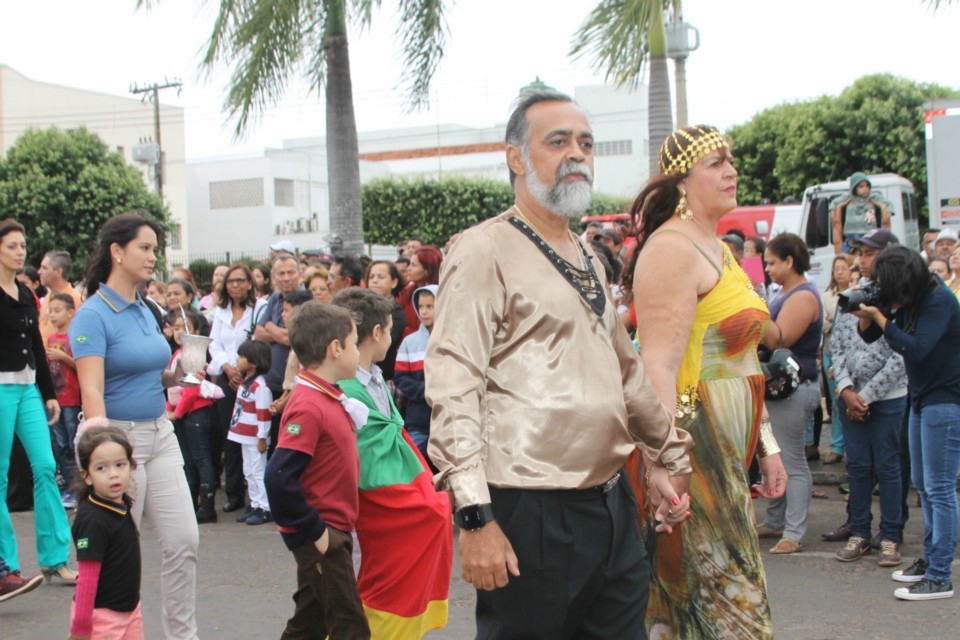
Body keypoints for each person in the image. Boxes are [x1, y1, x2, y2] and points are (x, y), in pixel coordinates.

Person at [425, 89, 693, 639]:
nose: (577, 153)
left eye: (586, 142)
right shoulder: (483, 250)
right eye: (558, 141)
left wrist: (666, 454)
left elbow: (626, 370)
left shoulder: (586, 255)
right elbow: (455, 383)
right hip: (529, 512)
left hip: (612, 505)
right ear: (517, 158)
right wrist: (474, 515)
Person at [624, 126, 786, 638]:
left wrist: (768, 444)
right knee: (720, 592)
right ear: (681, 183)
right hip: (695, 441)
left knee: (720, 587)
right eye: (716, 162)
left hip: (729, 448)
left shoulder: (719, 250)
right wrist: (665, 461)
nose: (731, 170)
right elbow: (660, 367)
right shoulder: (671, 248)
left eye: (730, 159)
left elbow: (743, 360)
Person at [70, 211, 199, 639]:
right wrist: (107, 452)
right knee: (121, 556)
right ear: (116, 251)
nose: (152, 258)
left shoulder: (148, 308)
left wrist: (177, 376)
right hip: (118, 445)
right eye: (144, 248)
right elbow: (92, 391)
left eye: (155, 250)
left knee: (184, 542)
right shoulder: (92, 315)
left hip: (161, 433)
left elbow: (147, 373)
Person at [332, 288, 452, 637]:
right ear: (376, 333)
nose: (394, 334)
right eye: (389, 328)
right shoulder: (345, 387)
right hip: (363, 515)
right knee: (359, 600)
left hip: (374, 508)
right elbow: (370, 461)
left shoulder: (373, 381)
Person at [856, 245, 960, 600]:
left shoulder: (939, 301)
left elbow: (915, 348)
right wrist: (868, 315)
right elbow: (871, 336)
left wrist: (883, 318)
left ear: (904, 279)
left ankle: (940, 575)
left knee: (940, 488)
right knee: (923, 485)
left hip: (945, 401)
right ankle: (931, 560)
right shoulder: (911, 298)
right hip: (921, 399)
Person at [263, 301, 371, 639]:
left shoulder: (325, 396)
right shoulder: (309, 404)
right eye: (354, 344)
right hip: (323, 532)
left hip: (332, 529)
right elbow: (278, 477)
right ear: (335, 348)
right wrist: (315, 532)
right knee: (350, 626)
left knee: (309, 624)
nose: (357, 351)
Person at [0, 218, 77, 586]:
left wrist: (49, 394)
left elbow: (37, 347)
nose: (20, 252)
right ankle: (6, 567)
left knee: (46, 467)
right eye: (12, 245)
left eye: (22, 246)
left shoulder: (28, 295)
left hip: (29, 387)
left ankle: (55, 558)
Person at [822, 229, 907, 557]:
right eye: (859, 253)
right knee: (856, 467)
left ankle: (890, 535)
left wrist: (866, 396)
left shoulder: (900, 299)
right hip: (850, 397)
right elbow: (838, 348)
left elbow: (899, 355)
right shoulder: (853, 297)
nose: (861, 260)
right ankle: (859, 531)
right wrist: (844, 390)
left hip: (887, 397)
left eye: (869, 253)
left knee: (888, 467)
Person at [755, 233, 822, 554]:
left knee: (792, 461)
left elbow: (779, 338)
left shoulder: (804, 296)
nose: (767, 268)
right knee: (774, 456)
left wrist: (754, 309)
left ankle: (793, 532)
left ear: (789, 261)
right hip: (780, 390)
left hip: (796, 389)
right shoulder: (787, 293)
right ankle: (775, 521)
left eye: (771, 262)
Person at [68, 427, 143, 640]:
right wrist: (80, 627)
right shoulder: (93, 519)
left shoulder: (120, 504)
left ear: (131, 465)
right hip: (101, 619)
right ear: (87, 476)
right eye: (101, 468)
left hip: (130, 611)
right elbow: (87, 578)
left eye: (120, 465)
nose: (113, 474)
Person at [208, 263, 268, 513]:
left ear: (249, 283)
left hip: (250, 376)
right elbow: (214, 344)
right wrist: (228, 368)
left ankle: (258, 498)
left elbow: (257, 343)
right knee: (229, 436)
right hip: (227, 377)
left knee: (251, 437)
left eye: (241, 280)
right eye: (231, 281)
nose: (235, 285)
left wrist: (240, 370)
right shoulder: (220, 312)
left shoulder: (258, 309)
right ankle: (234, 494)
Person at [165, 309, 220, 524]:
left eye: (186, 327)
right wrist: (170, 409)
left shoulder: (193, 351)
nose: (180, 331)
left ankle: (207, 507)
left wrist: (176, 414)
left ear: (196, 331)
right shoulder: (176, 353)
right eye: (177, 327)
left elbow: (190, 390)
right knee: (189, 461)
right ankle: (192, 504)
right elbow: (173, 387)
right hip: (181, 413)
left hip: (194, 412)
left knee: (201, 460)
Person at [254, 254, 302, 459]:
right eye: (280, 273)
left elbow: (290, 338)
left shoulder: (303, 299)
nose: (286, 277)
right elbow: (258, 332)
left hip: (295, 387)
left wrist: (271, 328)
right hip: (274, 383)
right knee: (274, 438)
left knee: (291, 441)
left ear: (299, 274)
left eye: (290, 272)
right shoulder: (274, 298)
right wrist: (277, 331)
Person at [229, 340, 274, 526]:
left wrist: (262, 437)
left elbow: (263, 414)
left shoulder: (260, 387)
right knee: (248, 471)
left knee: (258, 471)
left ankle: (265, 508)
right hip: (243, 435)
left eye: (242, 357)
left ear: (254, 362)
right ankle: (255, 504)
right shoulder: (244, 383)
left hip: (255, 437)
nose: (238, 360)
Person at [45, 292, 83, 509]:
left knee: (72, 443)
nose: (52, 315)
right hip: (56, 399)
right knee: (59, 445)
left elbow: (83, 364)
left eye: (57, 310)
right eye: (50, 310)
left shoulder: (75, 337)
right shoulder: (51, 338)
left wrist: (64, 358)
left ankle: (79, 489)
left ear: (71, 313)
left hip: (71, 399)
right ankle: (69, 488)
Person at [395, 285, 437, 465]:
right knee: (413, 463)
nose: (424, 312)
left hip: (447, 419)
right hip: (418, 418)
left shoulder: (453, 340)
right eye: (421, 307)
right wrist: (426, 391)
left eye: (430, 306)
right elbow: (401, 378)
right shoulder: (409, 342)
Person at [821, 253, 855, 465]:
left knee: (850, 398)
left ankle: (852, 448)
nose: (840, 272)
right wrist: (832, 322)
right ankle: (836, 446)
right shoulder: (827, 297)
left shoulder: (857, 294)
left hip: (851, 355)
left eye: (844, 267)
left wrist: (835, 320)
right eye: (836, 268)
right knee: (834, 401)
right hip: (829, 351)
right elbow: (823, 326)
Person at [363, 261, 406, 381]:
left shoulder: (396, 312)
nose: (375, 280)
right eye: (371, 277)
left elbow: (384, 342)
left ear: (394, 282)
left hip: (385, 377)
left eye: (380, 277)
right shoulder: (361, 308)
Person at [831, 172, 892, 254]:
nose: (865, 189)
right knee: (846, 255)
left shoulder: (873, 197)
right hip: (851, 236)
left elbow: (889, 205)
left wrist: (887, 215)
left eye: (867, 186)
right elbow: (834, 204)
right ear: (854, 187)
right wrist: (833, 216)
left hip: (869, 234)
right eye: (861, 187)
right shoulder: (847, 198)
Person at [38, 250, 83, 343]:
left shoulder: (76, 299)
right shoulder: (47, 297)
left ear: (58, 271)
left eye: (44, 268)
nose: (39, 272)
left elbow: (84, 336)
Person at [398, 246, 442, 338]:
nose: (408, 269)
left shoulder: (440, 295)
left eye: (413, 265)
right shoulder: (407, 292)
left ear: (428, 271)